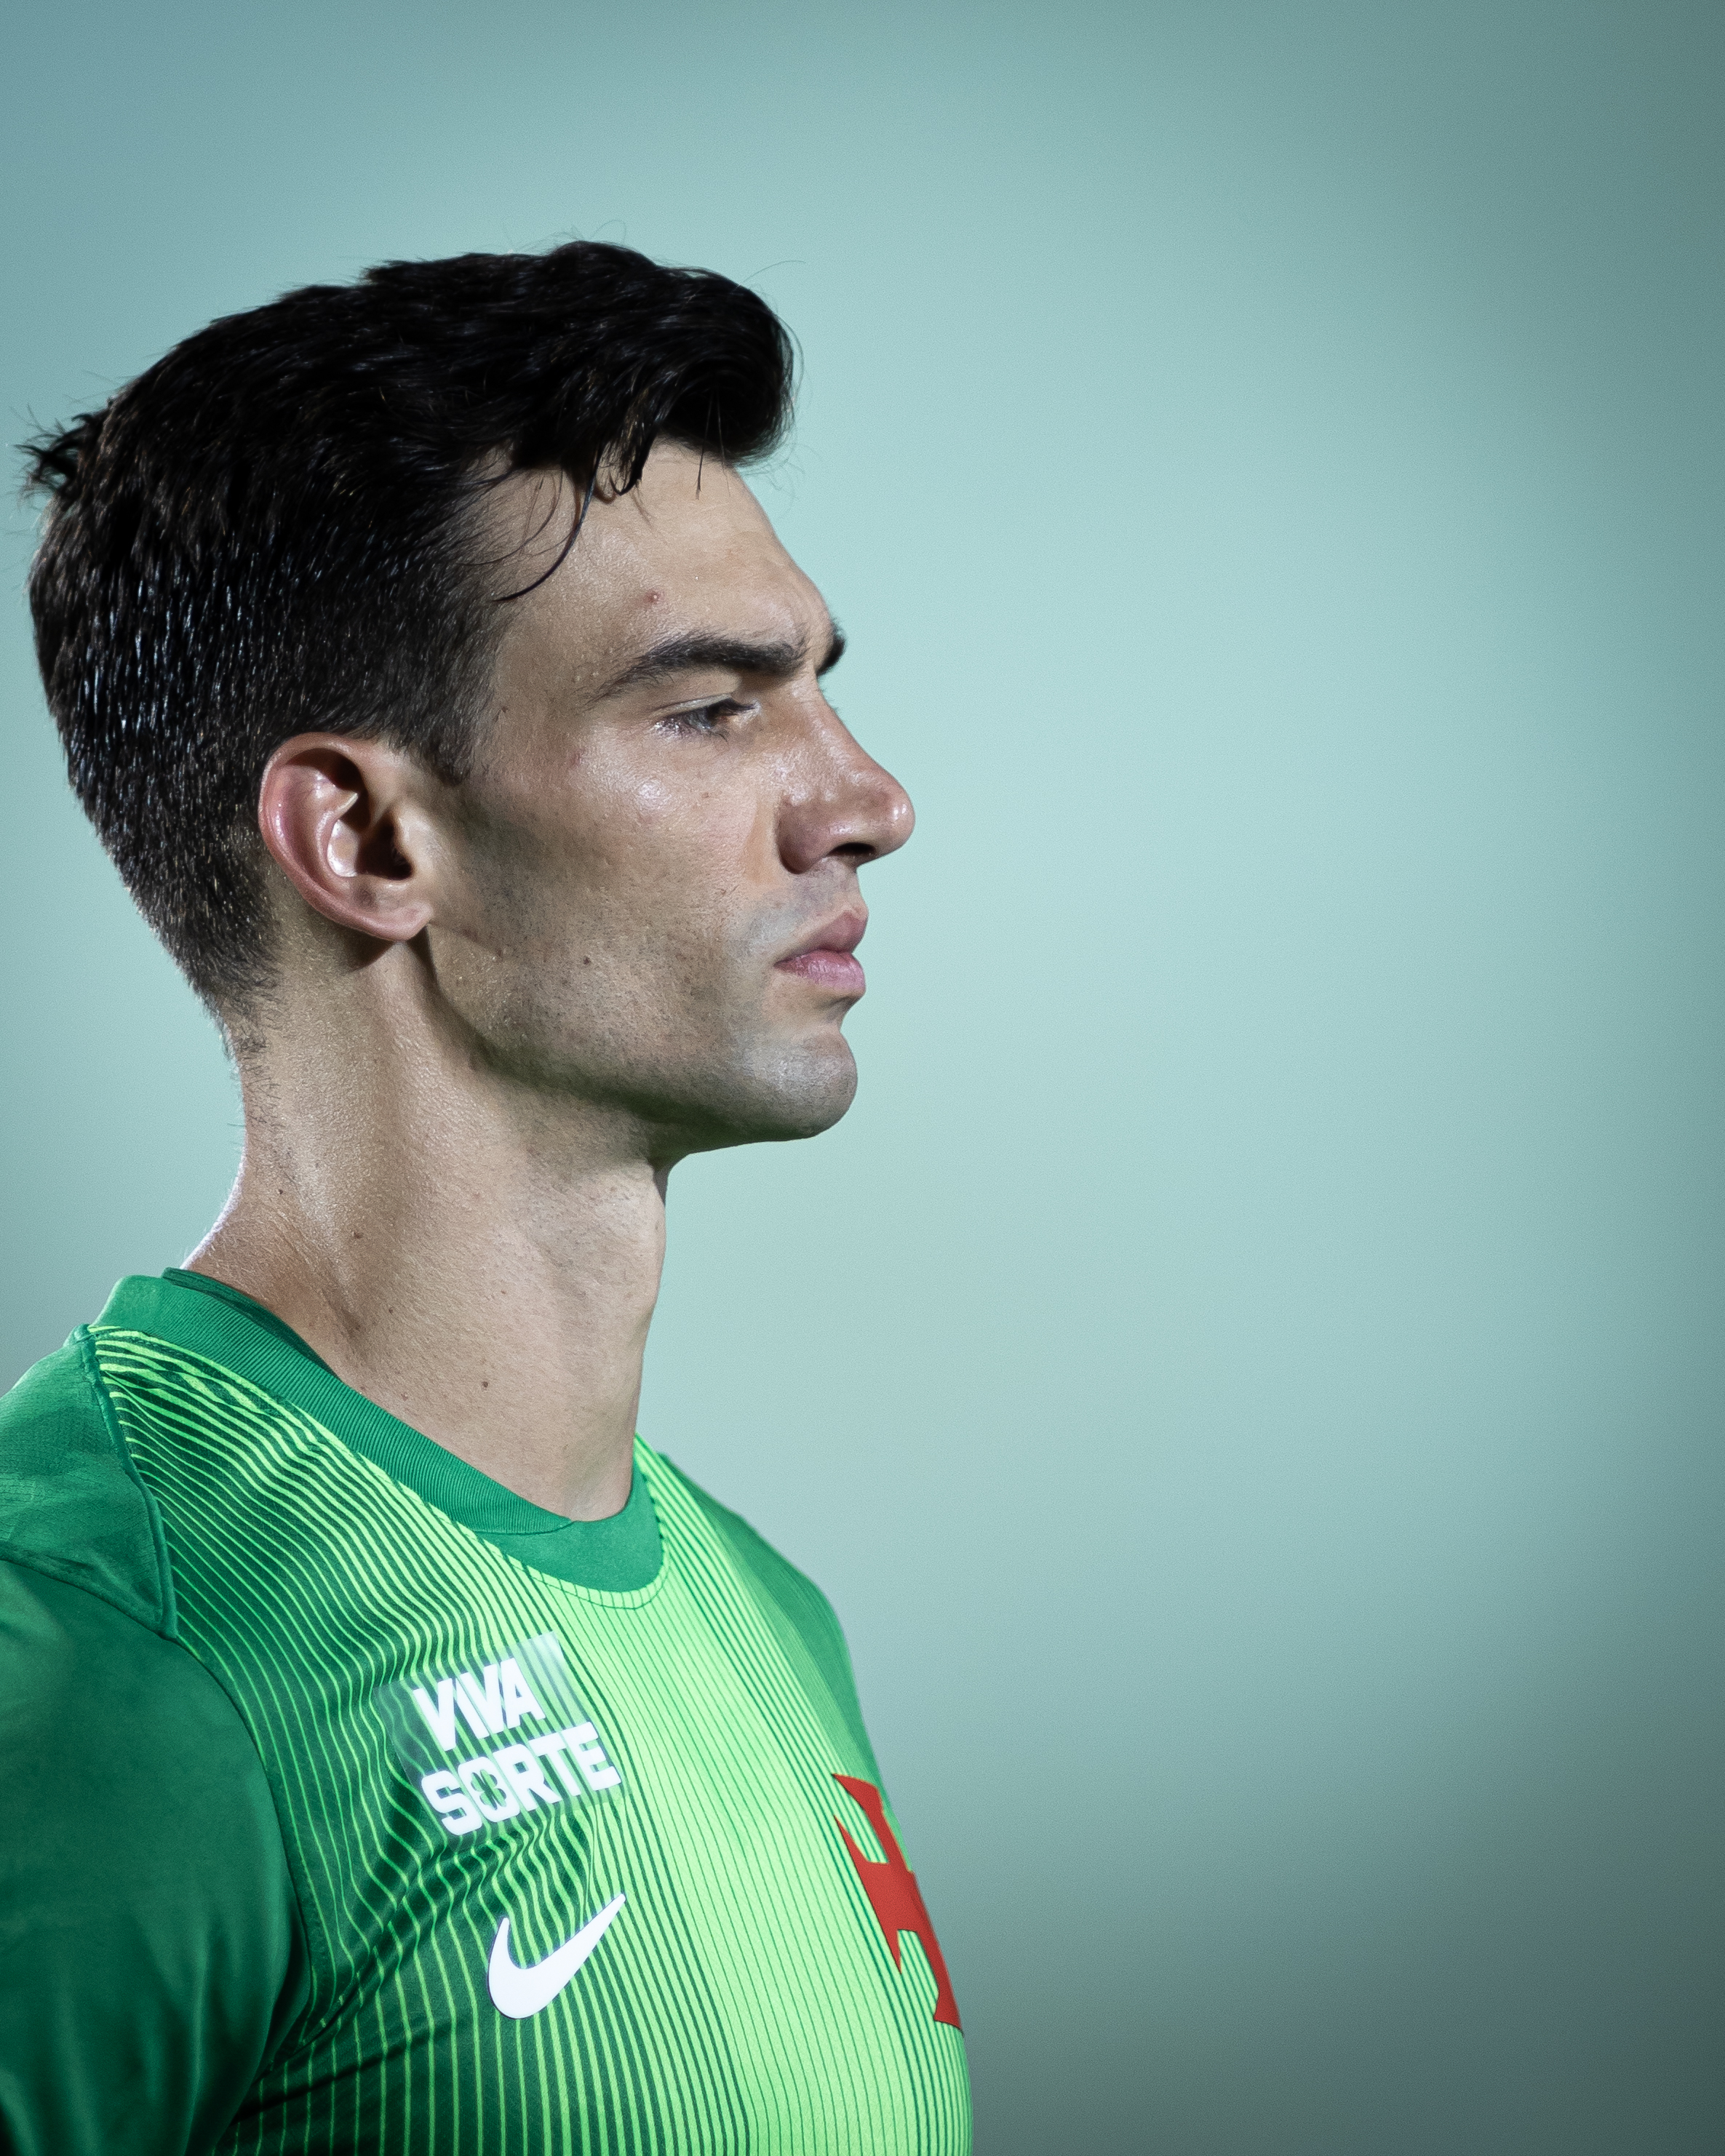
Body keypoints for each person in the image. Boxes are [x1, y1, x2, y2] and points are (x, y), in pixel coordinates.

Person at [1, 241, 968, 2155]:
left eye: (817, 689)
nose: (865, 801)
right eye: (711, 708)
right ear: (367, 838)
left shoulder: (755, 1608)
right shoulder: (103, 1652)